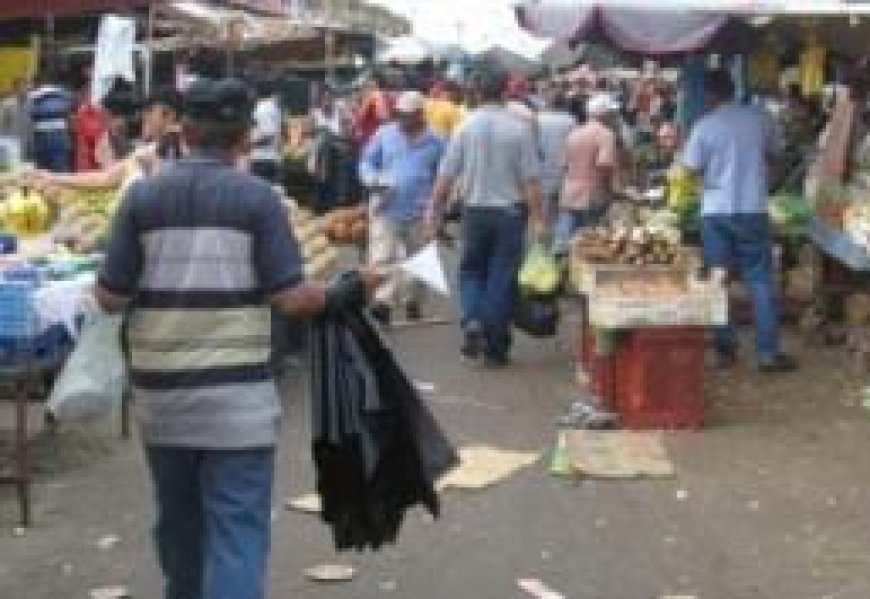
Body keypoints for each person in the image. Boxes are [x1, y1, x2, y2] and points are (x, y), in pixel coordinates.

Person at [94, 78, 382, 599]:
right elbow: (291, 298)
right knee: (236, 532)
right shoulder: (258, 200)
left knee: (179, 525)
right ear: (246, 137)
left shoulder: (141, 197)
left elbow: (110, 298)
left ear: (183, 132)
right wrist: (345, 291)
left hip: (162, 398)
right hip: (237, 401)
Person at [428, 70, 545, 368]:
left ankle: (472, 320)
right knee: (501, 278)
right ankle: (495, 346)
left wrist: (434, 210)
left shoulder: (464, 127)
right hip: (510, 214)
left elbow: (446, 175)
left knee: (471, 272)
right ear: (505, 92)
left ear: (477, 93)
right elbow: (531, 180)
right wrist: (539, 218)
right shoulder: (519, 129)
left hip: (474, 212)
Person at [682, 69, 797, 373]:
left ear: (710, 94)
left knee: (719, 279)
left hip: (715, 211)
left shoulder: (704, 126)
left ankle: (725, 349)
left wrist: (707, 183)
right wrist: (765, 182)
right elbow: (777, 156)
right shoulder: (759, 119)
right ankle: (767, 353)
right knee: (759, 280)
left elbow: (690, 169)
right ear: (732, 90)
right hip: (752, 208)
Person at [359, 90, 445, 325]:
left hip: (420, 208)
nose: (402, 119)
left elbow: (444, 174)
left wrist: (439, 206)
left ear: (420, 114)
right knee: (382, 256)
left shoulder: (436, 141)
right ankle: (383, 302)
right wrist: (372, 179)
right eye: (400, 114)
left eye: (408, 115)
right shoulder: (385, 133)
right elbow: (366, 162)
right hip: (386, 204)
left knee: (420, 259)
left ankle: (412, 300)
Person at [554, 93, 620, 257]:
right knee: (589, 243)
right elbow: (604, 165)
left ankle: (561, 265)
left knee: (566, 240)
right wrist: (611, 191)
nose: (614, 116)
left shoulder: (574, 133)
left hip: (569, 192)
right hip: (592, 194)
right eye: (611, 113)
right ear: (603, 114)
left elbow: (563, 164)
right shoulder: (606, 134)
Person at [536, 92, 577, 235]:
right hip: (564, 168)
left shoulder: (538, 119)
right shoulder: (571, 121)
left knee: (544, 208)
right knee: (563, 209)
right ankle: (560, 238)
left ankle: (543, 238)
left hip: (542, 167)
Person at [29, 75, 74, 172]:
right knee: (59, 168)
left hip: (42, 135)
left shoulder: (34, 95)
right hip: (60, 134)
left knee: (42, 169)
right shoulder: (64, 94)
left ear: (36, 83)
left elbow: (32, 114)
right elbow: (68, 111)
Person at [249, 80, 284, 183]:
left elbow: (268, 134)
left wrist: (249, 143)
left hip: (263, 159)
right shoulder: (272, 107)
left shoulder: (263, 108)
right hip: (270, 158)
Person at [0, 78, 33, 161]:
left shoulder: (34, 103)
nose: (24, 89)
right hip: (12, 142)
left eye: (26, 86)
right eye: (21, 86)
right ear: (15, 88)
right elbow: (2, 124)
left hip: (30, 141)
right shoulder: (7, 104)